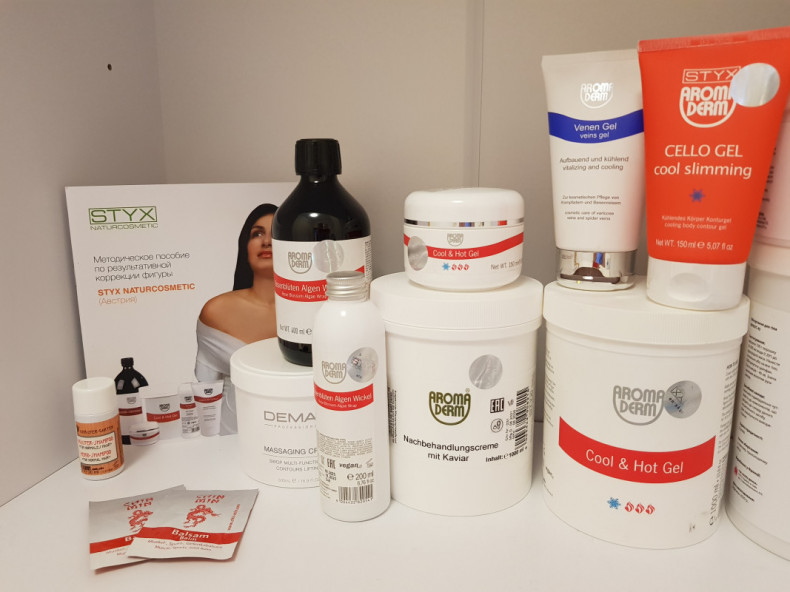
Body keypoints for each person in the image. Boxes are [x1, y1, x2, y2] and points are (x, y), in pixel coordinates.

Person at [195, 203, 278, 434]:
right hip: (234, 432)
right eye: (257, 234)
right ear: (245, 246)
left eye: (277, 234)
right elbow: (205, 386)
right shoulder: (217, 311)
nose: (267, 241)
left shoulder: (320, 309)